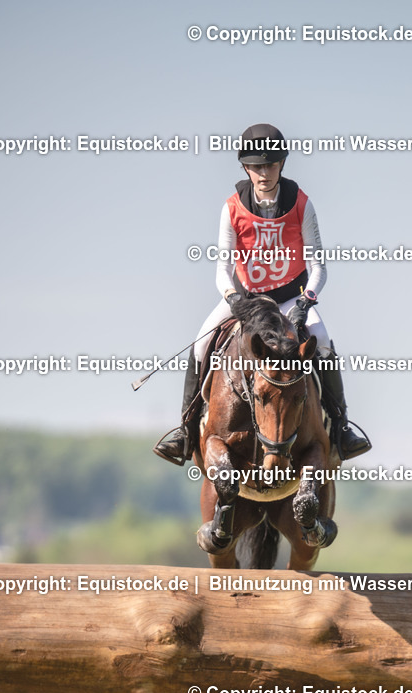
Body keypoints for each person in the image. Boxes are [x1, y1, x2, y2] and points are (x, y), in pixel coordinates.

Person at [154, 123, 371, 465]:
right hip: (246, 302)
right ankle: (184, 430)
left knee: (322, 339)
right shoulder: (232, 208)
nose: (263, 173)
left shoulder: (301, 204)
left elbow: (319, 268)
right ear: (245, 168)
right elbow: (222, 271)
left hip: (290, 297)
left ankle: (342, 427)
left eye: (269, 165)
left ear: (281, 165)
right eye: (256, 167)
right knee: (200, 344)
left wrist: (305, 302)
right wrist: (234, 300)